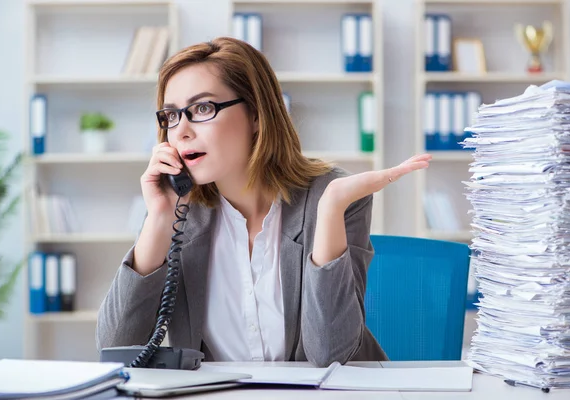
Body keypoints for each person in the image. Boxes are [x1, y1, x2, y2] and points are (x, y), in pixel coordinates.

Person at [96, 37, 431, 367]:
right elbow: (115, 348)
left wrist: (329, 208)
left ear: (256, 114)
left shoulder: (335, 196)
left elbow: (331, 353)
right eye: (171, 116)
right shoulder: (177, 211)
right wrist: (158, 219)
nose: (181, 131)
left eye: (201, 108)